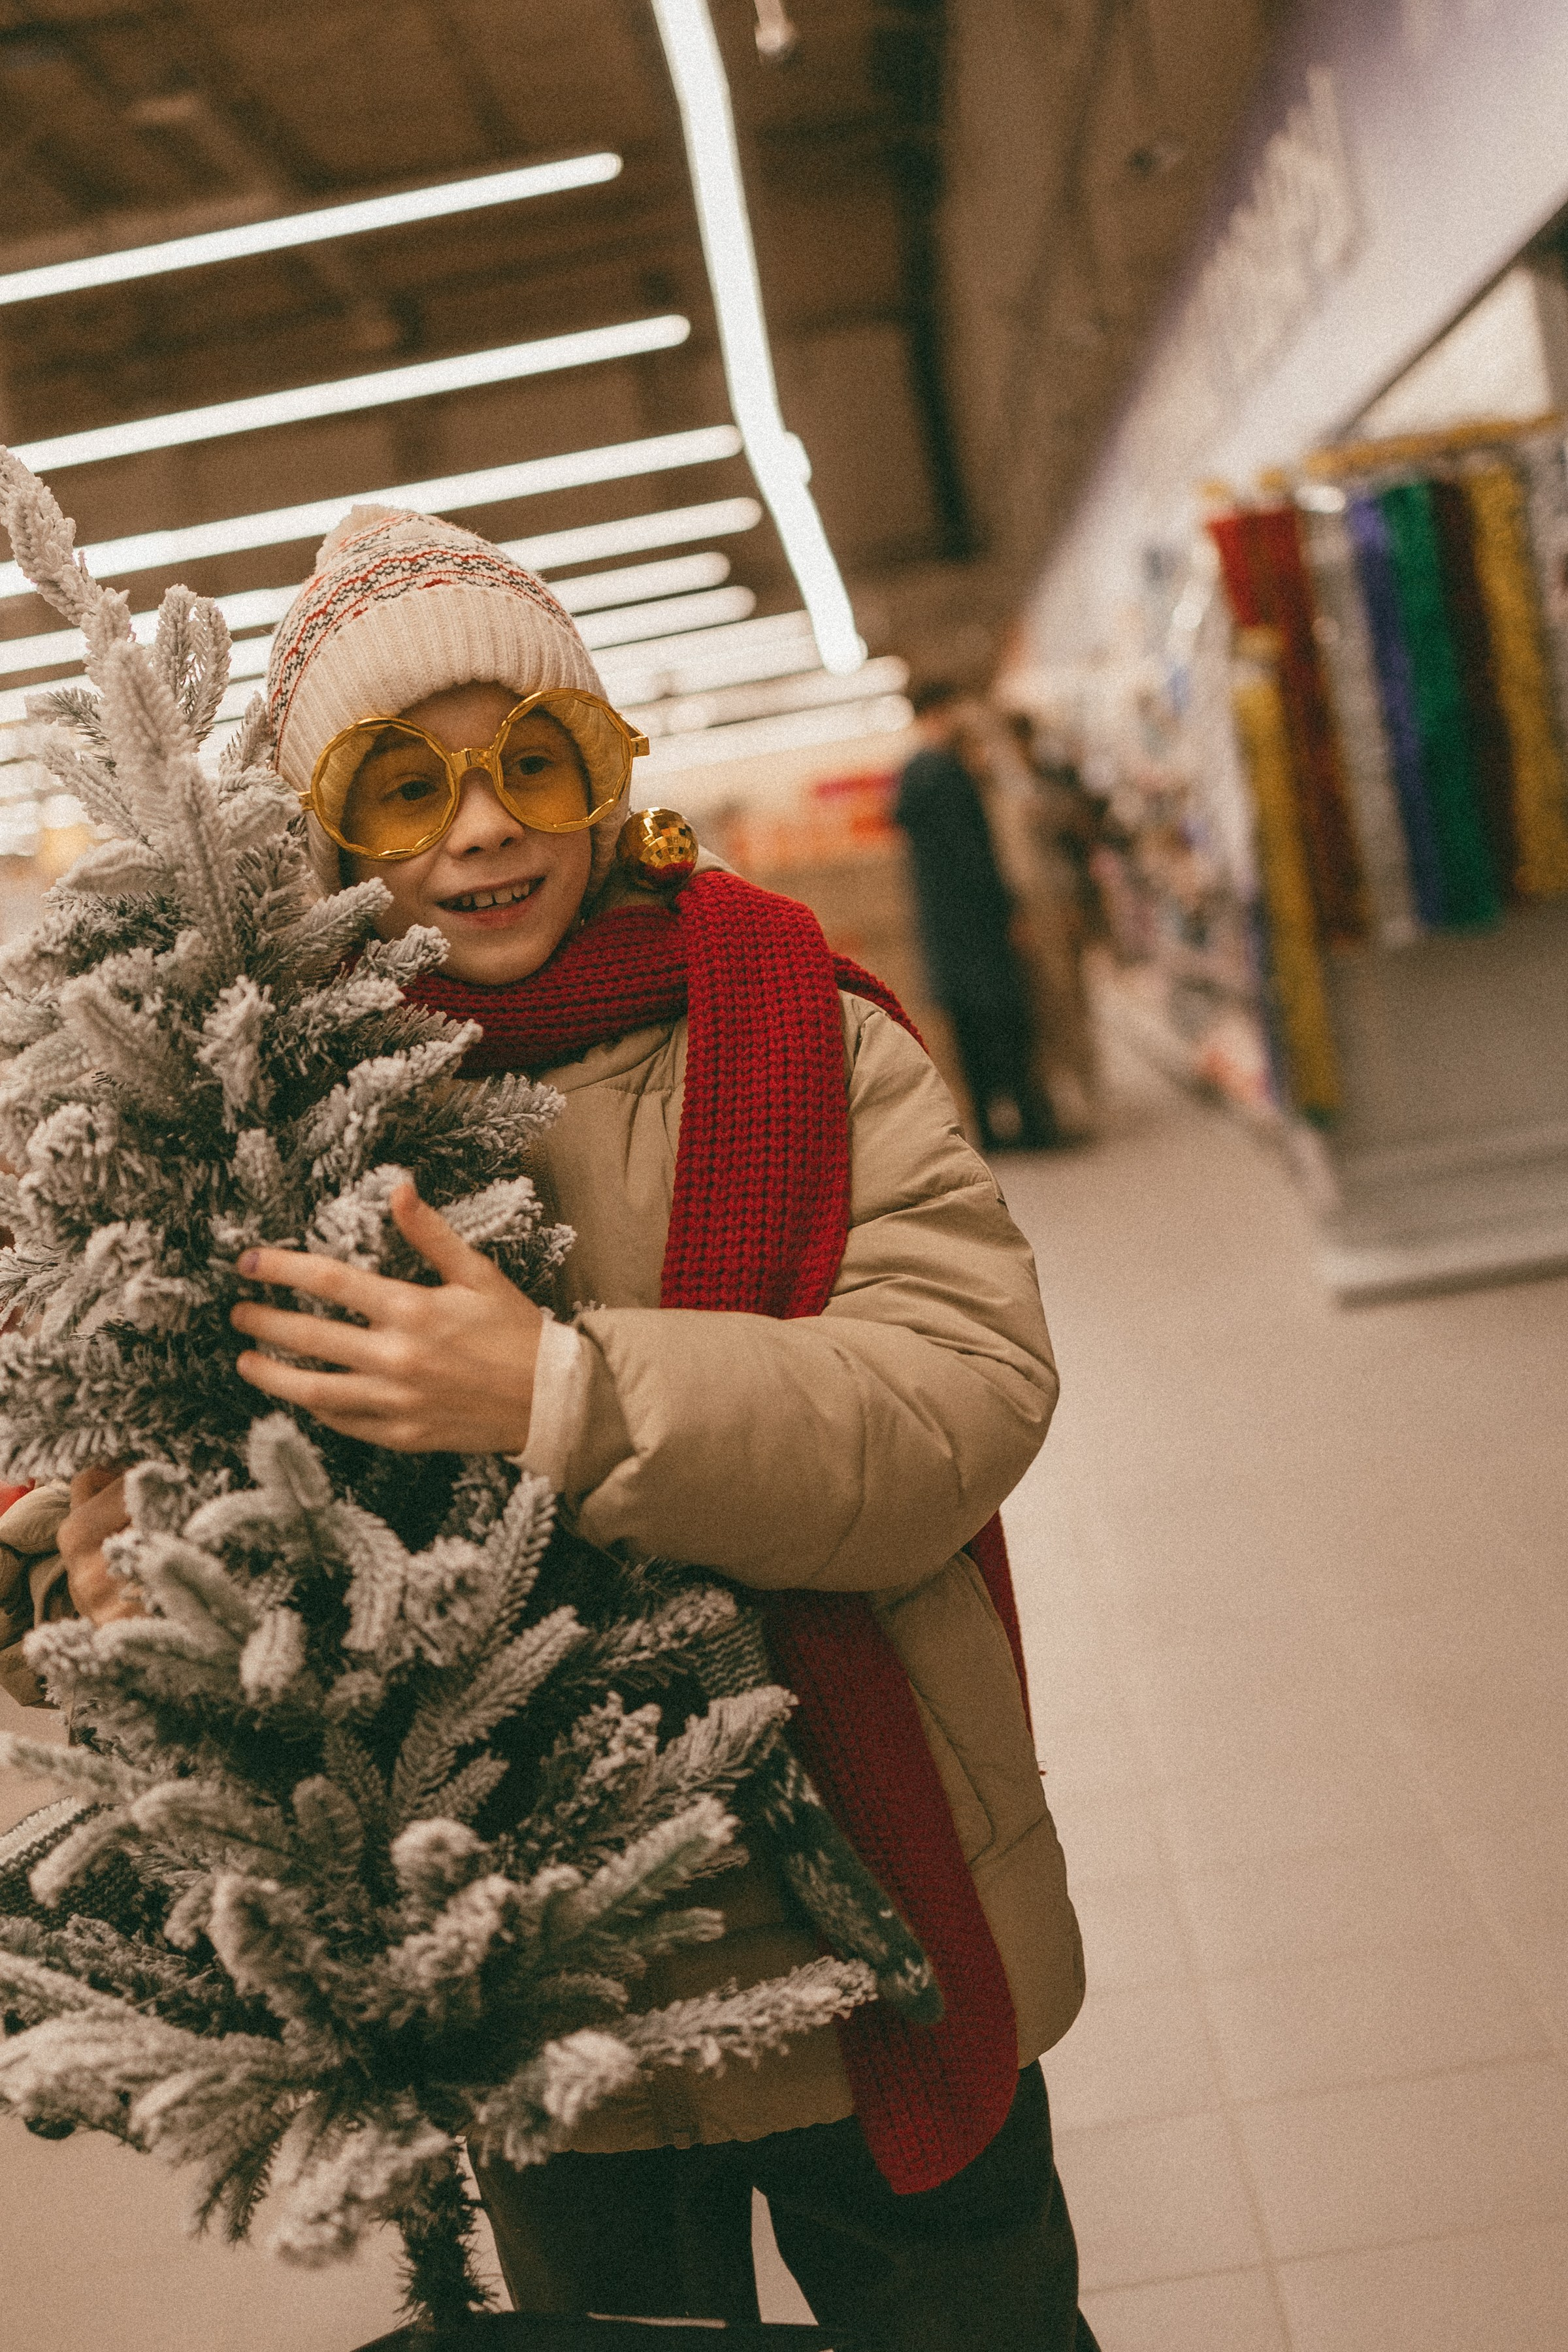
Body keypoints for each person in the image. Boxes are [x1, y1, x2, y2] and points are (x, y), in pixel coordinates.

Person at [53, 507, 1098, 2352]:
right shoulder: (267, 1139)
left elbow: (958, 1399)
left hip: (875, 1928)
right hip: (530, 2005)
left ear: (608, 780)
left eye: (533, 760)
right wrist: (107, 1592)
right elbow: (193, 1542)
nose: (482, 826)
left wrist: (556, 1395)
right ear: (319, 836)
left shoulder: (805, 1030)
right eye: (400, 787)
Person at [893, 683, 1064, 1152]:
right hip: (980, 928)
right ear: (938, 713)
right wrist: (1008, 912)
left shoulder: (910, 777)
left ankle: (991, 1128)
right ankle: (1029, 1122)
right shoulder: (949, 773)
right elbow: (977, 856)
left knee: (969, 1034)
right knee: (1009, 1026)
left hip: (945, 932)